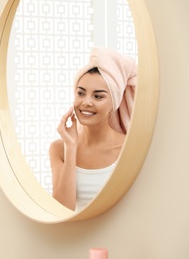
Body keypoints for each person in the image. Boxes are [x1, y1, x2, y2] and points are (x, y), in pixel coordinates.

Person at [49, 47, 137, 212]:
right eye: (81, 93)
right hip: (74, 236)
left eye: (98, 96)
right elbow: (62, 210)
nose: (86, 102)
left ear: (114, 102)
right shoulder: (59, 149)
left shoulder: (128, 148)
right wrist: (71, 148)